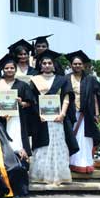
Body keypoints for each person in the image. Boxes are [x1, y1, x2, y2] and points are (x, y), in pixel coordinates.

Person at [28, 52, 78, 185]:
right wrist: (38, 114)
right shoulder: (35, 80)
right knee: (42, 145)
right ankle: (41, 175)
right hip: (41, 119)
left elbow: (67, 97)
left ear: (54, 65)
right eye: (44, 63)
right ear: (40, 65)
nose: (47, 65)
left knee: (57, 144)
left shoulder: (62, 80)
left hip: (57, 118)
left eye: (49, 63)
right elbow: (32, 100)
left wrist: (62, 114)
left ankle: (58, 175)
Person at [65, 50, 100, 174]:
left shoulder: (90, 79)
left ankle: (84, 164)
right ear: (71, 65)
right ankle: (71, 163)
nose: (77, 66)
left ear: (83, 65)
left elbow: (96, 96)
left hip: (86, 115)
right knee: (72, 138)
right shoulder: (66, 79)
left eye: (79, 64)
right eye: (75, 64)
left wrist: (96, 113)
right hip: (69, 114)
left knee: (85, 139)